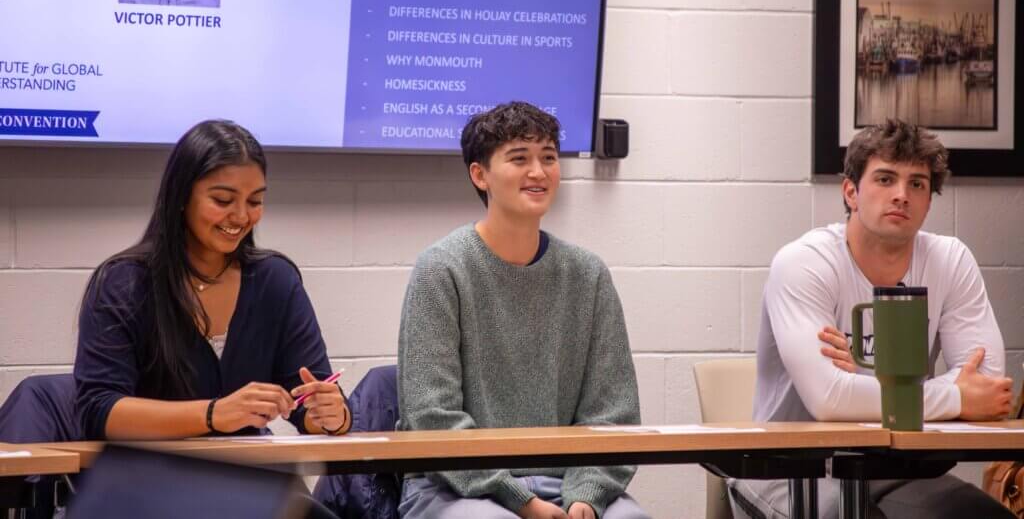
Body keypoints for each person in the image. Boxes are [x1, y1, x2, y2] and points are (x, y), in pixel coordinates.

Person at [729, 118, 1014, 519]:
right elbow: (828, 400)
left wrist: (856, 386)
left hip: (897, 469)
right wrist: (953, 395)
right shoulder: (805, 263)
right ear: (851, 192)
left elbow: (986, 388)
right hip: (791, 472)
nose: (901, 195)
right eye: (885, 179)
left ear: (929, 201)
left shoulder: (950, 260)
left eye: (917, 184)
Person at [397, 101, 649, 519]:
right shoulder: (440, 270)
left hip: (567, 482)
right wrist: (522, 502)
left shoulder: (588, 274)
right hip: (456, 487)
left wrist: (587, 495)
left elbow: (613, 413)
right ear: (480, 174)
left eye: (548, 157)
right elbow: (432, 416)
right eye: (519, 159)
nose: (539, 171)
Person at [75, 120, 350, 442]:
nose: (241, 216)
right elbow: (98, 411)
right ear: (181, 197)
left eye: (255, 201)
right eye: (222, 200)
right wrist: (214, 414)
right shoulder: (123, 284)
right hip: (148, 479)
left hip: (250, 479)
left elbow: (309, 399)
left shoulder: (275, 280)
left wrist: (334, 416)